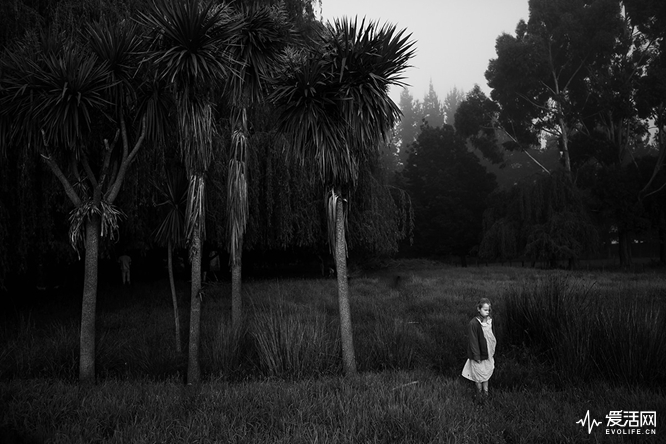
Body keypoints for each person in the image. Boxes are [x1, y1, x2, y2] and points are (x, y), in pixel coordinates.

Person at [461, 298, 496, 402]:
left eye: (488, 310)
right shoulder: (474, 324)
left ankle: (486, 394)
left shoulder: (490, 321)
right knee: (478, 375)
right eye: (485, 309)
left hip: (488, 353)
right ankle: (479, 394)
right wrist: (476, 356)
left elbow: (492, 335)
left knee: (486, 373)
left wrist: (492, 350)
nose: (487, 312)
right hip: (479, 355)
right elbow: (473, 341)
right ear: (478, 309)